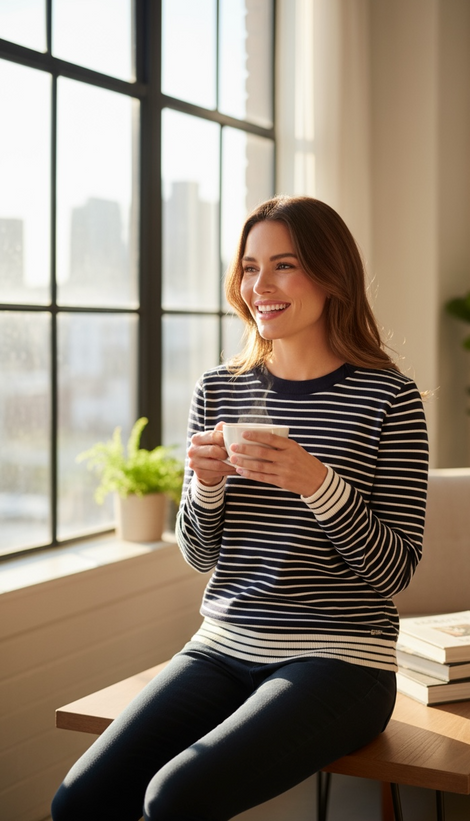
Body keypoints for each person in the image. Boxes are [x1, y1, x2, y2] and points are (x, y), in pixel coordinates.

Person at [51, 195, 429, 821]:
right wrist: (205, 486)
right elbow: (199, 555)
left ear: (331, 275)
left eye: (284, 265)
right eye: (250, 268)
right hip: (222, 644)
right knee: (79, 801)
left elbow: (395, 572)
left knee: (176, 797)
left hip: (342, 657)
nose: (261, 285)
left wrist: (316, 482)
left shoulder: (388, 397)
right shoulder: (219, 388)